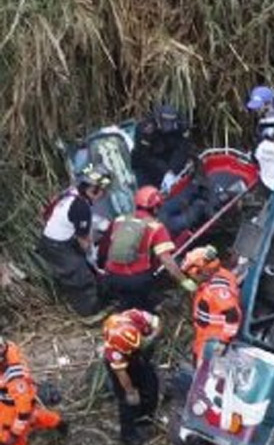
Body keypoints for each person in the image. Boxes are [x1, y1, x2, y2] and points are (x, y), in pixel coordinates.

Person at [101, 187, 195, 311]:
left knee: (126, 305)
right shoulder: (156, 227)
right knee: (147, 311)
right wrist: (184, 281)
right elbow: (167, 262)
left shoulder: (119, 220)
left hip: (112, 278)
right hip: (138, 282)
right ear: (156, 208)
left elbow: (105, 248)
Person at [38, 163, 113, 318]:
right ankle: (89, 313)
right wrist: (93, 260)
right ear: (94, 189)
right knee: (81, 277)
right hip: (58, 246)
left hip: (51, 239)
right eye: (102, 192)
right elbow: (84, 241)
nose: (103, 195)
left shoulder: (71, 192)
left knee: (78, 269)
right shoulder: (81, 207)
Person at [0, 336, 67, 445]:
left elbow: (23, 411)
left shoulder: (14, 378)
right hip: (11, 402)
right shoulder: (8, 348)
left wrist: (14, 433)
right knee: (35, 416)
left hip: (15, 409)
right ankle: (58, 423)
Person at [102, 309, 162, 445]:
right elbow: (122, 373)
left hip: (140, 357)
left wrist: (152, 337)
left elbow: (157, 323)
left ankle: (145, 417)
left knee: (151, 385)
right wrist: (130, 391)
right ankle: (128, 435)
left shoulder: (136, 316)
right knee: (127, 402)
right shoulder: (114, 351)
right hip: (123, 367)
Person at [183, 246, 242, 364]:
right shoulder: (219, 275)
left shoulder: (216, 289)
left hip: (213, 338)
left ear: (203, 271)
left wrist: (223, 342)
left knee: (203, 374)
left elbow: (233, 314)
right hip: (205, 335)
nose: (191, 278)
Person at [131, 104, 195, 189]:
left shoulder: (181, 125)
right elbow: (144, 156)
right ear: (158, 120)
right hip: (147, 165)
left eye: (171, 122)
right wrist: (166, 171)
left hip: (170, 159)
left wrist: (173, 170)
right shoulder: (146, 129)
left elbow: (182, 149)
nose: (168, 126)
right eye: (165, 122)